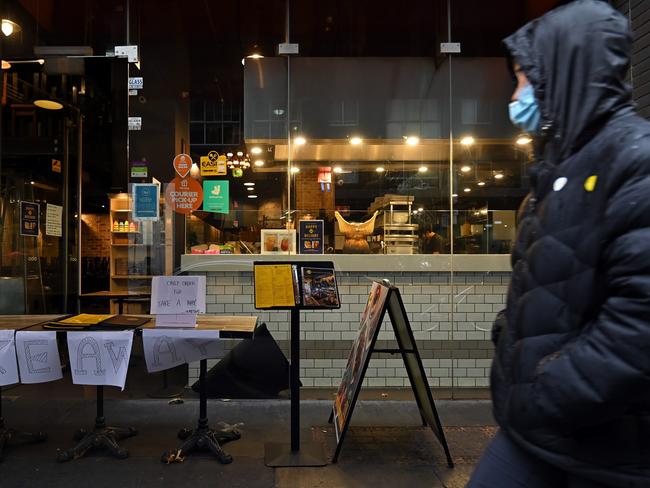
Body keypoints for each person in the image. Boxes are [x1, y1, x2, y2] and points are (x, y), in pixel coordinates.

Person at [468, 1, 650, 487]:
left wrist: (549, 388)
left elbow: (640, 321)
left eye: (524, 77)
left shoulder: (635, 160)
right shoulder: (563, 166)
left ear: (565, 73)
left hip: (602, 444)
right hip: (542, 430)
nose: (517, 93)